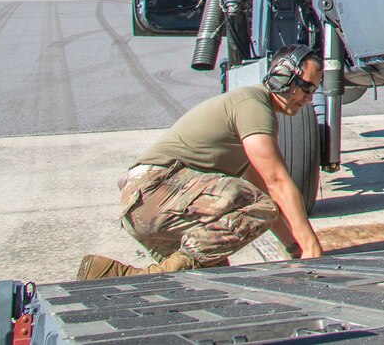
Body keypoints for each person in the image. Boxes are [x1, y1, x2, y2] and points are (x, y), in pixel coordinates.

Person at [77, 43, 327, 279]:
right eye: (307, 88)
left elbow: (265, 194)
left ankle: (111, 275)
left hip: (152, 205)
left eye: (314, 90)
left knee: (213, 279)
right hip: (155, 191)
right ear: (284, 76)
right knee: (257, 202)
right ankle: (150, 277)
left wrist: (295, 249)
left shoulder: (249, 117)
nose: (309, 98)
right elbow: (276, 184)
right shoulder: (253, 105)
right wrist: (311, 248)